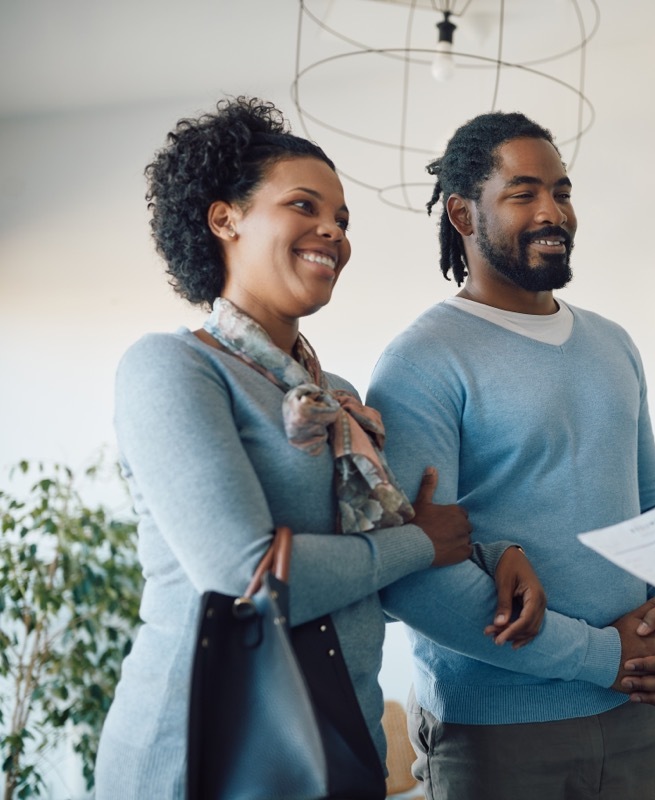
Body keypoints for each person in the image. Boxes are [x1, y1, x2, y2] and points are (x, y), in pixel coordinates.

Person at [94, 97, 545, 799]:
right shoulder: (172, 369)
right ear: (225, 218)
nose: (331, 231)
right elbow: (247, 580)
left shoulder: (336, 395)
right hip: (199, 757)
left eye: (341, 220)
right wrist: (424, 545)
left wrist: (493, 553)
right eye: (304, 206)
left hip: (339, 745)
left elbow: (383, 554)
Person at [365, 112, 655, 799]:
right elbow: (415, 577)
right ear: (462, 213)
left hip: (640, 717)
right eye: (523, 194)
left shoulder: (614, 344)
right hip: (497, 737)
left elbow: (654, 512)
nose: (553, 212)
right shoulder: (420, 362)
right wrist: (604, 657)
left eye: (563, 191)